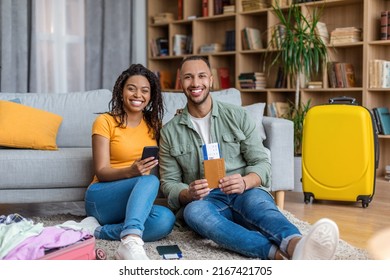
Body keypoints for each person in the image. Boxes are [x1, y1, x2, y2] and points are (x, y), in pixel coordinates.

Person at [158, 55, 339, 260]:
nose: (196, 83)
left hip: (245, 191)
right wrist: (187, 193)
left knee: (263, 210)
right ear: (181, 82)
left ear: (211, 80)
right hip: (205, 201)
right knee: (193, 214)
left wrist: (245, 182)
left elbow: (261, 163)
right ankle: (276, 255)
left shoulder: (238, 116)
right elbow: (169, 183)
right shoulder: (169, 132)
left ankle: (296, 245)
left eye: (201, 76)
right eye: (188, 77)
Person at [71, 64, 176, 260]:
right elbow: (101, 171)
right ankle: (130, 241)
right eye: (131, 88)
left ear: (151, 96)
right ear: (121, 91)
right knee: (149, 180)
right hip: (101, 197)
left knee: (165, 219)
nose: (138, 95)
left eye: (145, 90)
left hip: (132, 201)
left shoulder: (154, 125)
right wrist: (132, 171)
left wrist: (180, 120)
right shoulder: (105, 121)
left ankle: (98, 231)